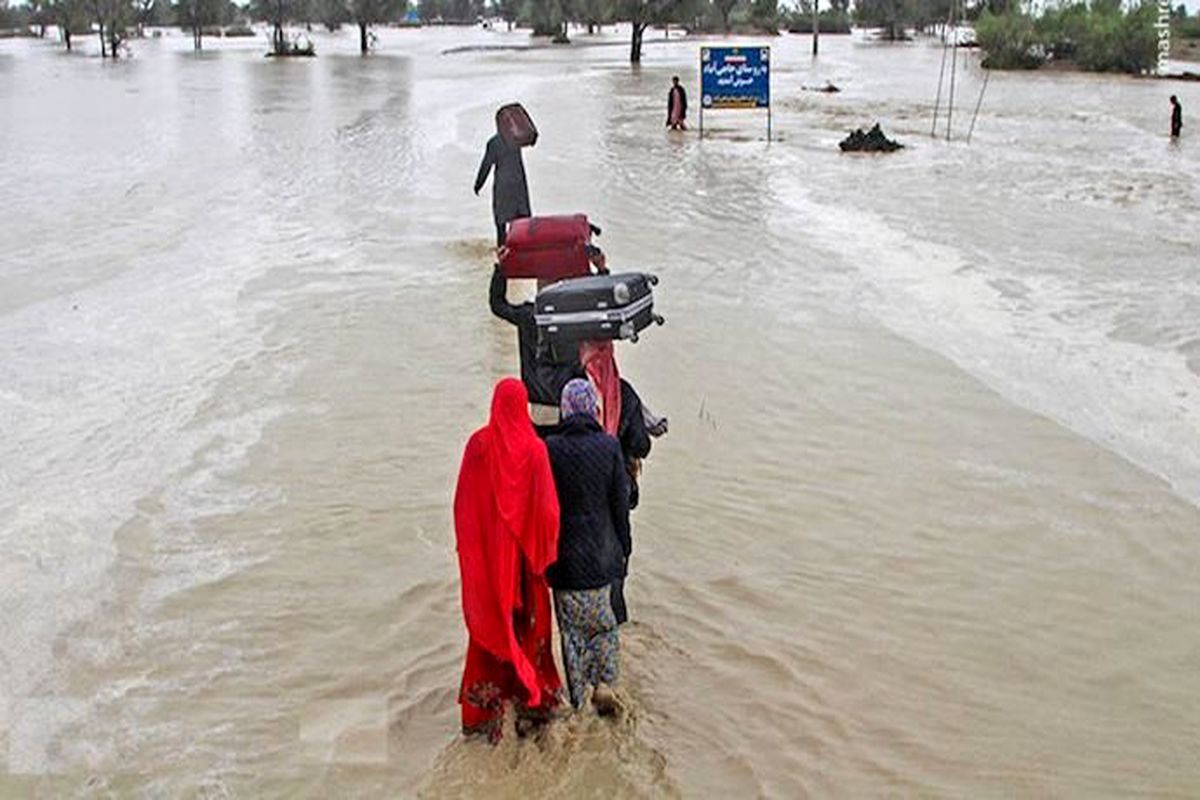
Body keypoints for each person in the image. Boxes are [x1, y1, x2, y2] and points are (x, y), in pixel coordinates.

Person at [453, 378, 563, 741]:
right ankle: (533, 709)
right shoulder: (535, 450)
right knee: (531, 633)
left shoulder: (478, 446)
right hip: (526, 567)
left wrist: (473, 555)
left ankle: (484, 715)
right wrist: (543, 555)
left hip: (490, 565)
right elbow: (548, 513)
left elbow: (463, 507)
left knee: (489, 634)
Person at [545, 379, 630, 715]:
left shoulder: (549, 448)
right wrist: (624, 546)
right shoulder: (609, 447)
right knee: (604, 627)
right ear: (592, 407)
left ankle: (579, 701)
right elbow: (619, 504)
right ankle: (606, 685)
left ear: (565, 409)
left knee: (572, 634)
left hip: (564, 562)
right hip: (601, 557)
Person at [488, 245, 608, 434]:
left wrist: (501, 268)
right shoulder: (574, 316)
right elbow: (603, 305)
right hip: (573, 401)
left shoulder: (529, 315)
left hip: (539, 401)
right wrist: (601, 269)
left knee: (546, 454)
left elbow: (498, 305)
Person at [474, 130, 532, 245]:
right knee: (523, 223)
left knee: (501, 224)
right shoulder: (517, 139)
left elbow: (486, 165)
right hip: (519, 185)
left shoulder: (493, 143)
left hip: (502, 187)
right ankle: (523, 252)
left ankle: (503, 254)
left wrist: (478, 184)